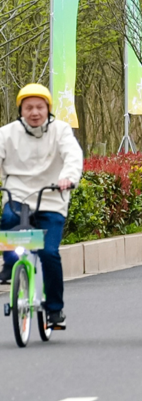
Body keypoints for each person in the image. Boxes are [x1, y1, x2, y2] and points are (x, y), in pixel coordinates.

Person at [0, 84, 82, 330]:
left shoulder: (62, 131)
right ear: (21, 110)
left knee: (49, 253)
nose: (34, 112)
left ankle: (55, 311)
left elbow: (73, 157)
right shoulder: (6, 133)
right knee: (8, 222)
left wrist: (68, 178)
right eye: (28, 107)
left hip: (51, 198)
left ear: (48, 108)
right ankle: (10, 265)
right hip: (17, 196)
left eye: (39, 107)